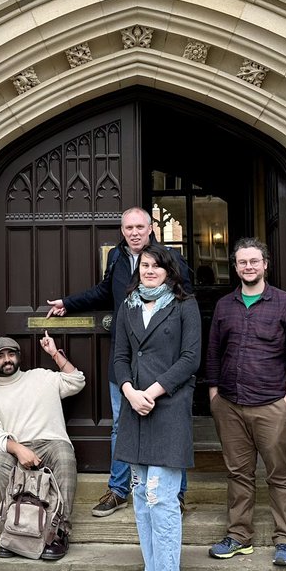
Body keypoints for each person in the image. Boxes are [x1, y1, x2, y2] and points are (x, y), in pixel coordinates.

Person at [46, 206, 193, 517]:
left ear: (152, 227)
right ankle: (118, 489)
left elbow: (184, 302)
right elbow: (104, 291)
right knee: (121, 426)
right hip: (124, 360)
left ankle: (176, 494)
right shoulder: (116, 256)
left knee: (172, 427)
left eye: (140, 226)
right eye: (128, 228)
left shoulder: (169, 258)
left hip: (164, 363)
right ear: (123, 230)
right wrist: (67, 303)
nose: (134, 232)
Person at [205, 237, 286, 566]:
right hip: (230, 403)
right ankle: (238, 535)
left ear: (265, 265)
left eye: (254, 261)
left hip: (272, 402)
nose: (248, 267)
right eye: (242, 262)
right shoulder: (224, 306)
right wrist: (214, 396)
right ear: (235, 267)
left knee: (280, 474)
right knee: (238, 473)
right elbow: (213, 354)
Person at [112, 243, 201, 571]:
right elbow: (119, 357)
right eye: (144, 265)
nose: (149, 270)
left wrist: (152, 390)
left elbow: (190, 358)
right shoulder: (128, 306)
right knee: (140, 497)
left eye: (156, 265)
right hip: (135, 407)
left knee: (161, 496)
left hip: (168, 406)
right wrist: (130, 392)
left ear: (169, 270)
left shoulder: (184, 305)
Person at [0, 332, 85, 561]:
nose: (7, 360)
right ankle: (16, 528)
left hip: (51, 443)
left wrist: (54, 353)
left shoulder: (41, 377)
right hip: (18, 448)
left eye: (11, 354)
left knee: (65, 455)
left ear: (18, 357)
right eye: (0, 356)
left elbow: (77, 381)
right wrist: (18, 449)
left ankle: (58, 532)